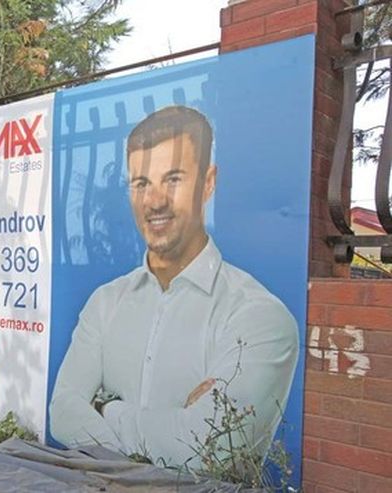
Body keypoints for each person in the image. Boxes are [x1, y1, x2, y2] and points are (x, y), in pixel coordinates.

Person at [49, 106, 299, 467]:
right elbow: (63, 413)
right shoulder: (105, 302)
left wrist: (105, 408)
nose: (155, 201)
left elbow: (208, 451)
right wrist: (175, 425)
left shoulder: (259, 316)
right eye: (141, 184)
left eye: (173, 179)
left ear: (208, 182)